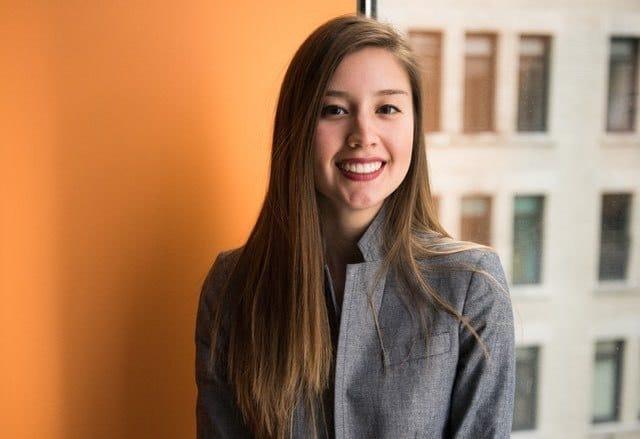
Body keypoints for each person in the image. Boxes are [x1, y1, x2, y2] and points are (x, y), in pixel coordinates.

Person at [195, 14, 515, 439]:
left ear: (414, 125)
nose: (363, 134)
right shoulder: (233, 286)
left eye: (387, 109)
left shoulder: (472, 284)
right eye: (334, 110)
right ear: (297, 128)